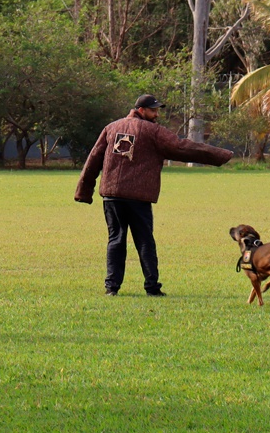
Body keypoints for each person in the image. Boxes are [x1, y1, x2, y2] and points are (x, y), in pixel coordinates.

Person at [75, 94, 234, 296]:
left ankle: (111, 287)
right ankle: (152, 287)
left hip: (112, 195)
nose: (157, 114)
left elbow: (93, 159)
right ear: (141, 110)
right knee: (145, 241)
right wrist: (220, 155)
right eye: (153, 110)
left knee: (116, 240)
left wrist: (84, 190)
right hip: (137, 196)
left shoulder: (111, 128)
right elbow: (182, 147)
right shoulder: (153, 131)